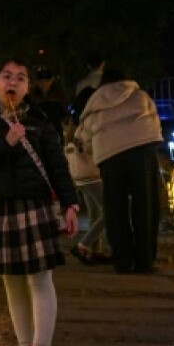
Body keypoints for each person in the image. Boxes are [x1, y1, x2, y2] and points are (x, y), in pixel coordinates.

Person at [0, 57, 79, 346]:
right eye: (6, 76)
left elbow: (57, 165)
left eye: (20, 78)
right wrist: (7, 142)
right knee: (12, 280)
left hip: (34, 204)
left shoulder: (40, 121)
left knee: (40, 278)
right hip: (0, 205)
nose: (13, 82)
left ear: (27, 87)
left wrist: (70, 204)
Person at [76, 69, 164, 274]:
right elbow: (155, 121)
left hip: (110, 155)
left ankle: (123, 260)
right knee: (146, 206)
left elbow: (84, 132)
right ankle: (145, 260)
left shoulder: (96, 101)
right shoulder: (141, 96)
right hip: (143, 149)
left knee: (115, 208)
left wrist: (92, 148)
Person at [63, 94, 109, 264]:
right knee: (110, 210)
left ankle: (94, 251)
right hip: (91, 173)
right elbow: (91, 147)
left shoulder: (71, 126)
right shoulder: (88, 124)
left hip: (79, 175)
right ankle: (83, 245)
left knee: (94, 213)